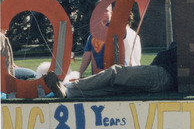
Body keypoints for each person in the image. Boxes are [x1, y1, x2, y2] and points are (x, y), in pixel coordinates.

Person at [43, 42, 177, 99]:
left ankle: (68, 86)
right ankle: (68, 93)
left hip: (162, 74)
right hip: (163, 80)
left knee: (114, 73)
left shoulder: (180, 45)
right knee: (114, 88)